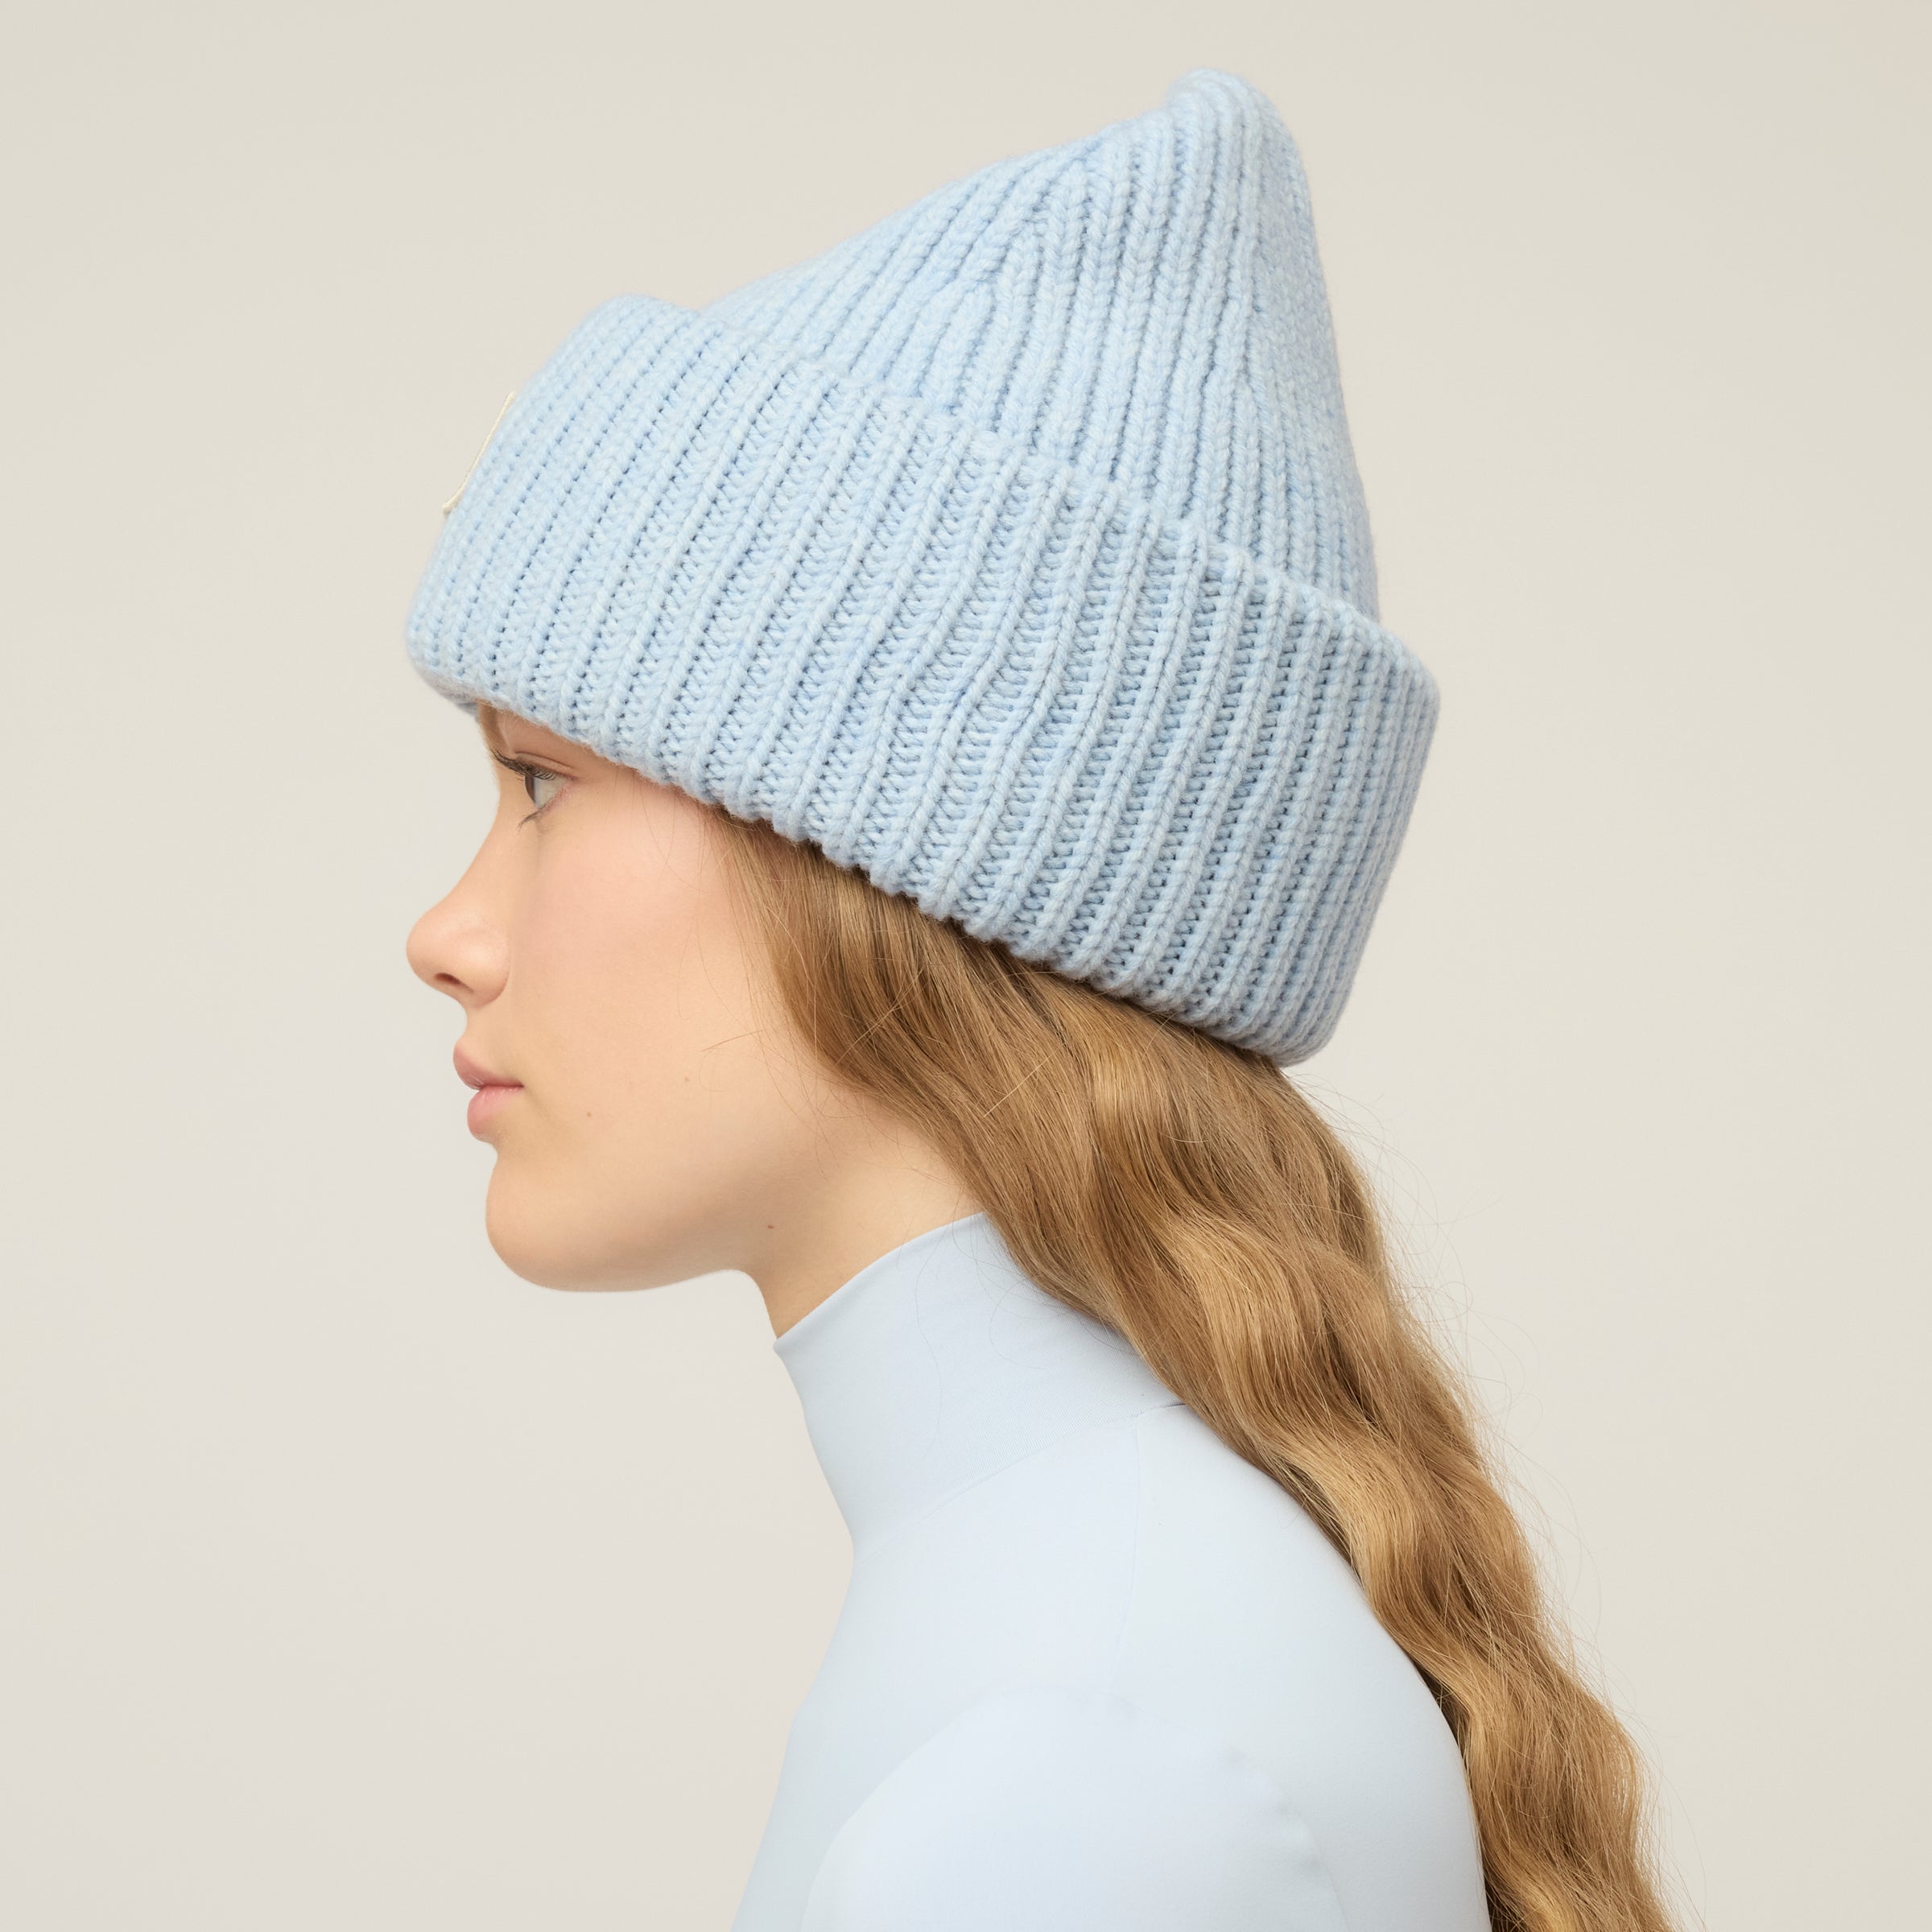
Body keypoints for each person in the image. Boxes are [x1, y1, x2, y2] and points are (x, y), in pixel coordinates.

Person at [404, 66, 1678, 1932]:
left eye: (542, 783)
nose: (447, 932)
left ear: (896, 858)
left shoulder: (1070, 1786)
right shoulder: (1101, 1688)